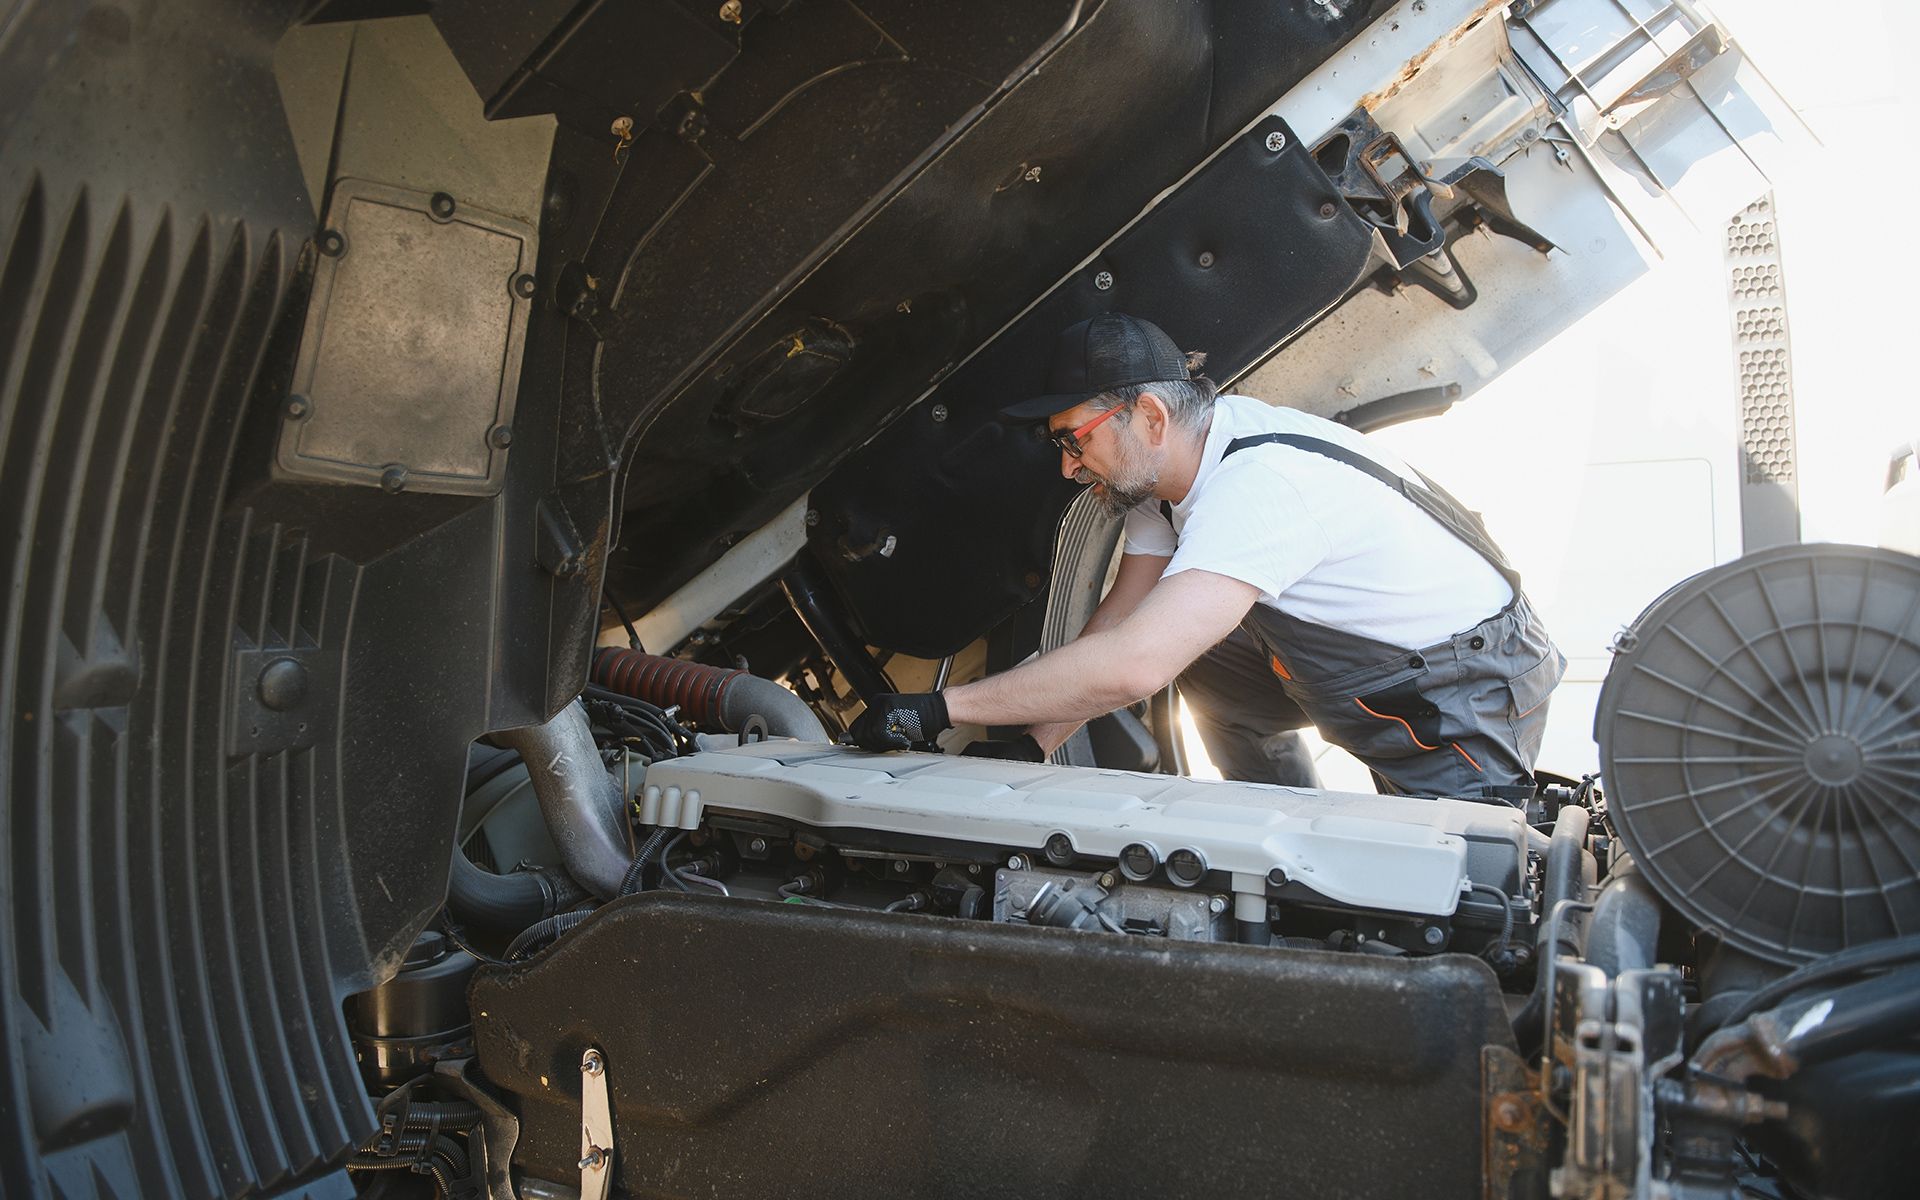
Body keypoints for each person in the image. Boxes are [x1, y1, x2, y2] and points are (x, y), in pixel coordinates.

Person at [849, 312, 1564, 802]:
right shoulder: (1172, 475)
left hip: (1457, 682)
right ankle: (1276, 816)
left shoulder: (1257, 487)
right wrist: (1030, 746)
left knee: (1460, 886)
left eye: (1075, 438)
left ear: (1151, 417)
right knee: (1196, 649)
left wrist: (940, 708)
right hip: (1361, 662)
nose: (1068, 467)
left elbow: (1134, 667)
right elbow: (1119, 630)